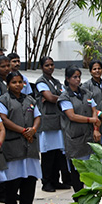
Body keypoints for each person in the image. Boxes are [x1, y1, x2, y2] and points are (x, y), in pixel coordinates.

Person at [0, 70, 41, 204]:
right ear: (8, 84)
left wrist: (33, 130)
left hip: (30, 144)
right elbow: (3, 119)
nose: (18, 85)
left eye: (20, 82)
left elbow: (38, 116)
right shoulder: (3, 101)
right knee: (13, 179)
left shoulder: (30, 99)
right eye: (14, 82)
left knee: (30, 177)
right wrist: (23, 131)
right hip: (13, 145)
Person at [59, 66, 101, 191]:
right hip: (75, 136)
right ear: (68, 79)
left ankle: (91, 192)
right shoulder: (65, 97)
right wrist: (90, 120)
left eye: (79, 77)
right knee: (77, 167)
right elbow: (71, 116)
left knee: (91, 166)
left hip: (89, 134)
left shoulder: (86, 93)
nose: (77, 80)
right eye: (74, 77)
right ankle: (79, 194)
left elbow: (94, 110)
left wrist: (95, 129)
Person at [35, 55, 72, 191]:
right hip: (48, 124)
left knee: (58, 154)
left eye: (51, 64)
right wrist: (62, 98)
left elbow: (60, 95)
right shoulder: (41, 82)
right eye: (47, 65)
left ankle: (56, 181)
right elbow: (49, 97)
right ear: (42, 67)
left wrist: (59, 98)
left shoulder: (56, 81)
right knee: (48, 155)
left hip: (58, 123)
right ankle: (47, 182)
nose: (50, 67)